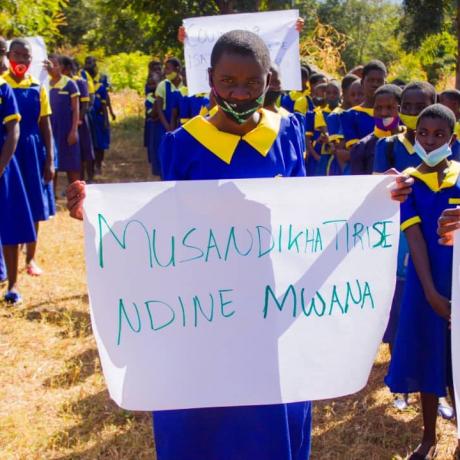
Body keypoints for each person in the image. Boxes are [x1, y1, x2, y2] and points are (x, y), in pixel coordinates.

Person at [67, 31, 414, 460]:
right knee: (204, 408)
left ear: (269, 80)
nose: (239, 93)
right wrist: (99, 212)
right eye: (228, 81)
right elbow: (162, 223)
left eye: (252, 84)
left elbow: (309, 212)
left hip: (272, 299)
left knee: (269, 407)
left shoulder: (286, 131)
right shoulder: (183, 143)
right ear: (210, 78)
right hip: (204, 306)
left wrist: (381, 195)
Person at [385, 104, 460, 459]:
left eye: (439, 135)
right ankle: (429, 437)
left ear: (453, 139)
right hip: (423, 282)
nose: (429, 141)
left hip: (457, 280)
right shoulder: (407, 183)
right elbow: (414, 237)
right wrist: (431, 292)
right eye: (422, 135)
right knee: (428, 354)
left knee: (457, 360)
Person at [4, 38, 55, 277]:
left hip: (33, 152)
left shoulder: (37, 87)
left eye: (26, 57)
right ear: (8, 56)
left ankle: (31, 258)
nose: (21, 61)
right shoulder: (2, 85)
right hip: (6, 152)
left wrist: (51, 160)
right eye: (17, 55)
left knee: (34, 203)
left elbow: (46, 126)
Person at [0, 76, 36, 304]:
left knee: (10, 223)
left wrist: (1, 166)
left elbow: (14, 131)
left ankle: (12, 285)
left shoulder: (3, 88)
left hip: (3, 166)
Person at [351, 84, 402, 175]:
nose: (383, 113)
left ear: (400, 109)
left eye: (389, 107)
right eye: (378, 108)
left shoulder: (414, 142)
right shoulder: (362, 147)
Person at [47, 54, 81, 189]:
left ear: (61, 67)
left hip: (67, 130)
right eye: (48, 64)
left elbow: (75, 109)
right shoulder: (43, 83)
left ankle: (77, 198)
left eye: (55, 65)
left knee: (72, 165)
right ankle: (52, 198)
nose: (51, 68)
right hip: (50, 131)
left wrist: (74, 131)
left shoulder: (70, 84)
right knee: (50, 165)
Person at [341, 60, 387, 151]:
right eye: (371, 80)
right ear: (362, 83)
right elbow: (355, 150)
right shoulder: (350, 115)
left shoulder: (393, 114)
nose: (375, 84)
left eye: (379, 81)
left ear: (385, 84)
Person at [153, 57, 184, 176]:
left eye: (168, 68)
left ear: (177, 69)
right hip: (165, 124)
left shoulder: (185, 84)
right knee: (166, 153)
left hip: (182, 123)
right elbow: (160, 109)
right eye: (165, 68)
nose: (166, 71)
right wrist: (167, 126)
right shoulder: (162, 85)